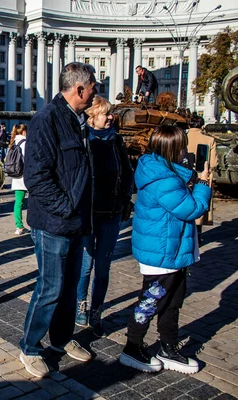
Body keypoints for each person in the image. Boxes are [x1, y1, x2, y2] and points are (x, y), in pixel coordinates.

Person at [19, 62, 97, 379]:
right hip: (53, 222)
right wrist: (64, 206)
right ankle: (30, 347)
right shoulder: (47, 120)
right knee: (50, 289)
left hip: (76, 222)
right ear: (79, 89)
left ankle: (62, 340)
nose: (96, 91)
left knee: (67, 289)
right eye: (93, 86)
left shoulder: (77, 120)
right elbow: (35, 176)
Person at [119, 125, 212, 374]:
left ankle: (168, 347)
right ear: (172, 149)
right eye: (181, 146)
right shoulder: (163, 179)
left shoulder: (166, 172)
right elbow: (191, 208)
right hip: (162, 253)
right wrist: (203, 184)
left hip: (171, 250)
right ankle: (132, 347)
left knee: (172, 301)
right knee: (151, 300)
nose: (185, 151)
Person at [75, 96, 134, 337]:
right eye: (105, 114)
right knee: (85, 266)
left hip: (111, 214)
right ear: (92, 117)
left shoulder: (116, 140)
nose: (110, 117)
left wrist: (123, 200)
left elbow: (127, 173)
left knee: (103, 268)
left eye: (110, 114)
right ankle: (81, 304)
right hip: (88, 215)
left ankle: (96, 311)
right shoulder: (82, 139)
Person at [187, 116, 218, 246]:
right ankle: (198, 235)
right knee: (199, 203)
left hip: (184, 175)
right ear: (202, 126)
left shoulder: (182, 138)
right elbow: (214, 163)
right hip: (202, 175)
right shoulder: (209, 140)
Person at [9, 123, 29, 236]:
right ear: (24, 132)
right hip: (27, 176)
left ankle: (19, 226)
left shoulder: (12, 143)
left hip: (16, 176)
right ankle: (34, 225)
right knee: (33, 201)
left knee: (18, 203)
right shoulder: (26, 143)